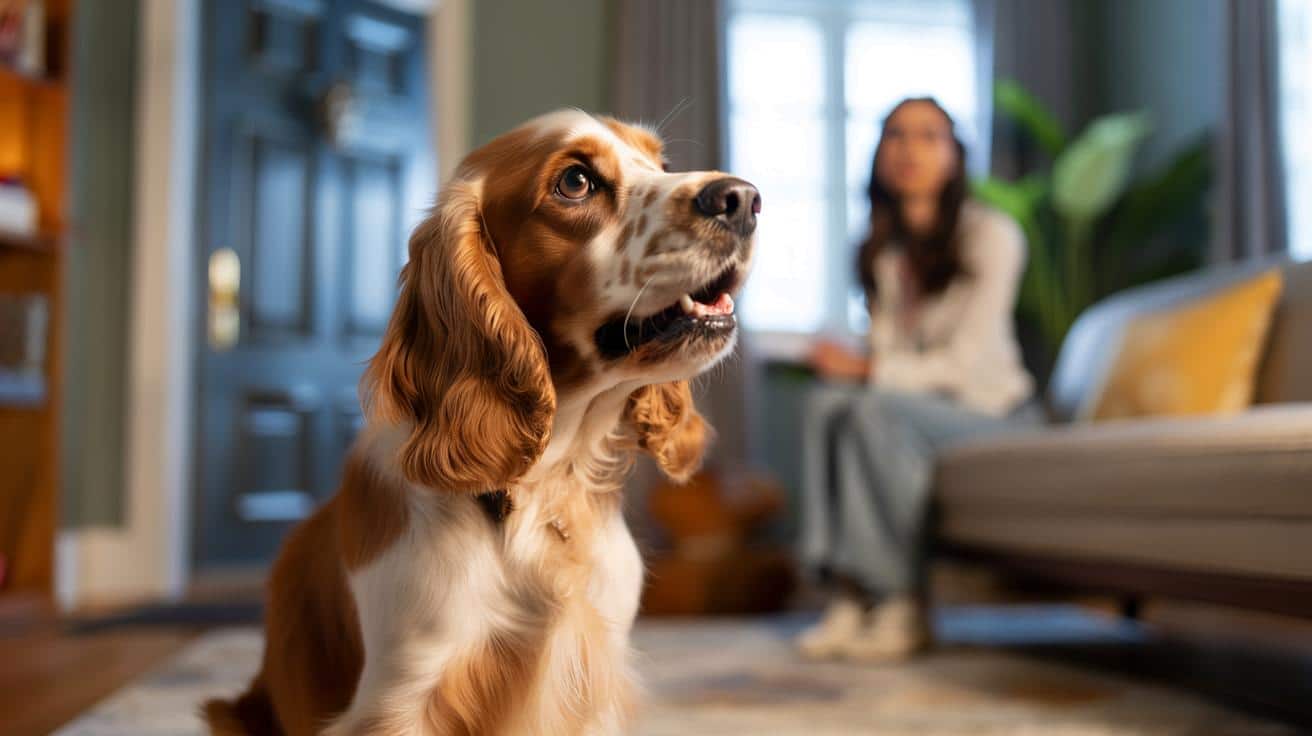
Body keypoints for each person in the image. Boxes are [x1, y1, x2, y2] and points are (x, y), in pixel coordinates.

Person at [795, 97, 1041, 661]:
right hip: (921, 408)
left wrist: (868, 368)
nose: (910, 150)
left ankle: (901, 600)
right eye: (897, 136)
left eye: (929, 136)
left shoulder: (993, 236)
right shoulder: (884, 252)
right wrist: (848, 358)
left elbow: (964, 366)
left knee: (871, 408)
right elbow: (894, 351)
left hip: (993, 412)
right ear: (880, 154)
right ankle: (849, 594)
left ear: (955, 156)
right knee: (827, 403)